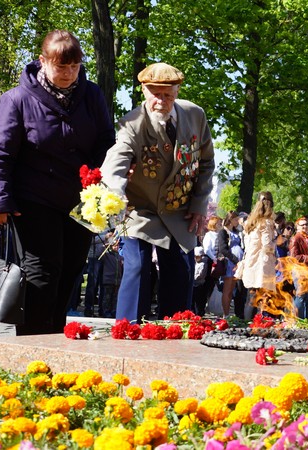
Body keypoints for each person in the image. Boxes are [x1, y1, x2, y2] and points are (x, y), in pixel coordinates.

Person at [0, 30, 115, 334]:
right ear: (43, 62)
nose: (68, 74)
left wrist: (103, 174)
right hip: (34, 199)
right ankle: (34, 344)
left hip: (83, 200)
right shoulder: (17, 100)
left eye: (74, 66)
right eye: (60, 67)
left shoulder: (92, 95)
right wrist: (0, 200)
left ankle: (56, 337)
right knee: (42, 272)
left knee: (70, 272)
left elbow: (106, 140)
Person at [101, 62, 214, 322]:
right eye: (155, 94)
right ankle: (127, 329)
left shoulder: (195, 115)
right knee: (138, 267)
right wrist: (114, 194)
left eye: (168, 94)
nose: (161, 101)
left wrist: (198, 205)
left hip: (178, 210)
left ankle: (173, 333)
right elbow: (115, 163)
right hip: (141, 211)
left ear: (177, 91)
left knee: (180, 271)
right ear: (144, 91)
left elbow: (206, 162)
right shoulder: (132, 124)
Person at [241, 192, 278, 304]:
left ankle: (248, 321)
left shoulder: (250, 223)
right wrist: (277, 241)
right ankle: (256, 321)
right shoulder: (266, 222)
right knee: (260, 298)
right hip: (261, 263)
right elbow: (267, 246)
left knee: (251, 295)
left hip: (250, 261)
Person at [290, 216, 308, 320]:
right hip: (299, 270)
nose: (305, 226)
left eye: (306, 224)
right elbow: (293, 257)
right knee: (301, 296)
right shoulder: (295, 238)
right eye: (302, 225)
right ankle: (298, 320)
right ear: (297, 227)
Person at [217, 212, 244, 317]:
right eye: (236, 219)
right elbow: (223, 249)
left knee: (233, 289)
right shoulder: (223, 232)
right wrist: (235, 260)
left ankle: (231, 313)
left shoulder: (237, 232)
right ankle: (226, 314)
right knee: (227, 290)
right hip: (230, 262)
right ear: (231, 219)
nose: (237, 222)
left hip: (237, 263)